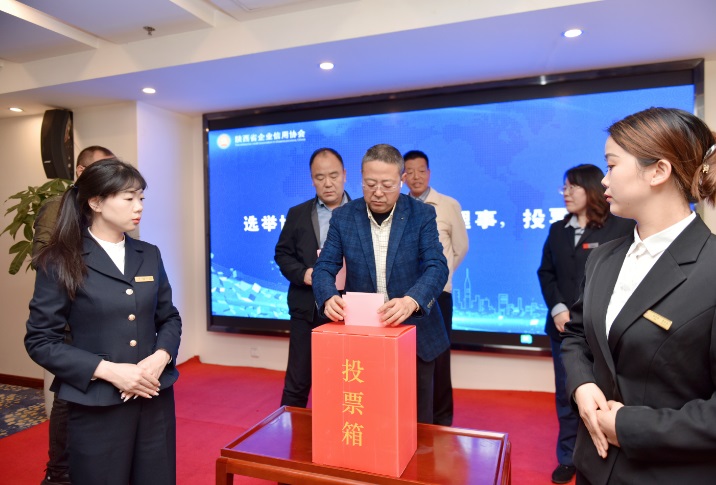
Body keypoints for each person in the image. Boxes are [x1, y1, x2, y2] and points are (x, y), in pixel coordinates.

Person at [561, 107, 716, 484]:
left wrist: (627, 426)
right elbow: (577, 335)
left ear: (658, 171)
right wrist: (582, 385)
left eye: (611, 165)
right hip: (592, 466)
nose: (604, 179)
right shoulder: (603, 257)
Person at [25, 159, 182, 485]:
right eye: (129, 198)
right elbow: (41, 341)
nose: (139, 207)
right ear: (95, 202)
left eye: (141, 198)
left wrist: (161, 356)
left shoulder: (148, 254)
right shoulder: (60, 260)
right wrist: (110, 371)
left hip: (153, 399)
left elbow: (169, 317)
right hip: (96, 404)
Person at [312, 143, 449, 424]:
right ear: (361, 178)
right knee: (370, 416)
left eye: (386, 185)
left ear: (401, 180)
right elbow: (324, 267)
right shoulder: (344, 217)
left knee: (417, 420)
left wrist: (412, 300)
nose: (377, 192)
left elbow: (437, 266)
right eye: (370, 183)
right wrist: (327, 296)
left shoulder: (421, 214)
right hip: (365, 334)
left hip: (415, 333)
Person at [537, 164, 634, 484]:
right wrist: (558, 309)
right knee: (568, 394)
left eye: (572, 187)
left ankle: (605, 452)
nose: (565, 193)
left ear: (590, 189)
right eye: (563, 188)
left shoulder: (620, 227)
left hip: (604, 330)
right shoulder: (558, 229)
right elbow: (546, 273)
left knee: (606, 393)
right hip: (563, 329)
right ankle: (568, 456)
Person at [32, 145, 115, 485]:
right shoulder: (58, 206)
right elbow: (44, 259)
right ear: (80, 172)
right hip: (70, 322)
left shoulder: (109, 206)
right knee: (69, 396)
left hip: (104, 318)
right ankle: (59, 472)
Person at [274, 147, 349, 408]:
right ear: (312, 179)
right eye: (320, 177)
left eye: (333, 175)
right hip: (306, 309)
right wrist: (303, 274)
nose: (327, 183)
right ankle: (291, 432)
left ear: (344, 175)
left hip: (348, 310)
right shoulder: (298, 214)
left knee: (345, 382)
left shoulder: (362, 212)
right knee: (297, 382)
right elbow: (282, 254)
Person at [402, 149, 468, 426]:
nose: (416, 177)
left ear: (429, 173)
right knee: (410, 359)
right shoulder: (399, 207)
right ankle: (413, 417)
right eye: (410, 172)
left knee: (439, 357)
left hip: (438, 294)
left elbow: (460, 247)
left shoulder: (447, 205)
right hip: (406, 296)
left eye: (421, 171)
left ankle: (441, 420)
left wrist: (440, 277)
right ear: (403, 177)